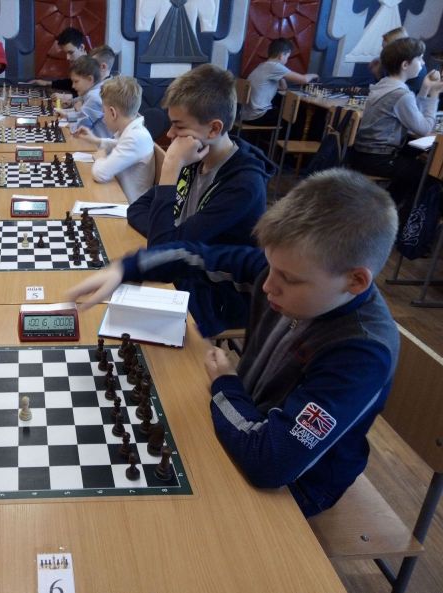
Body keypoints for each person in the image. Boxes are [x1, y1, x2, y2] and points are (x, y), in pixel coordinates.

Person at [66, 168, 400, 518]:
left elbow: (271, 462)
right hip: (247, 416)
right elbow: (198, 257)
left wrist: (226, 385)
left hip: (296, 486)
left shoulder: (362, 354)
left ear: (355, 281)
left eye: (288, 279)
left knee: (153, 515)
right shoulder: (295, 270)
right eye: (269, 265)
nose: (267, 285)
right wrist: (127, 269)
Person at [128, 64, 274, 248]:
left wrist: (171, 167)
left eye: (179, 126)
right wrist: (166, 233)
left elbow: (162, 246)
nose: (170, 134)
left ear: (214, 129)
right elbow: (136, 209)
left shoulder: (243, 185)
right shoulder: (194, 157)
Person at [349, 37, 443, 205]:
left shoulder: (385, 84)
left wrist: (425, 88)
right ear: (405, 65)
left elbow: (414, 116)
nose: (423, 63)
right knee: (428, 175)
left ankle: (389, 202)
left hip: (362, 154)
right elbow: (424, 129)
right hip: (379, 159)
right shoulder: (401, 94)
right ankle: (391, 207)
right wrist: (434, 95)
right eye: (420, 58)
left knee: (414, 156)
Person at [74, 75, 155, 203]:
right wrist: (95, 140)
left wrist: (100, 157)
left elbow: (100, 174)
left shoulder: (135, 138)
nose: (103, 117)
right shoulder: (135, 131)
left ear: (112, 113)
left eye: (103, 112)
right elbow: (119, 144)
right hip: (118, 194)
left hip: (128, 205)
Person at [239, 38, 318, 126]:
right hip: (258, 116)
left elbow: (283, 88)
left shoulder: (263, 65)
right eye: (287, 57)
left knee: (283, 109)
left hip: (246, 115)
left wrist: (282, 75)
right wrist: (315, 75)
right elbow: (304, 80)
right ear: (281, 55)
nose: (287, 60)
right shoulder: (275, 66)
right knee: (296, 116)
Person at [59, 56, 112, 138]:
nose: (73, 86)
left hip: (96, 143)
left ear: (90, 79)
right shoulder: (92, 92)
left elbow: (80, 127)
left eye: (76, 81)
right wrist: (67, 116)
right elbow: (81, 116)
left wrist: (68, 119)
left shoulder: (94, 97)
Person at [27, 27, 87, 96]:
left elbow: (88, 97)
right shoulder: (79, 65)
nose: (68, 58)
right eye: (66, 53)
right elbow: (70, 83)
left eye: (71, 52)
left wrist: (67, 97)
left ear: (81, 47)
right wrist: (47, 83)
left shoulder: (92, 67)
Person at [368, 27, 427, 94]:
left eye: (386, 49)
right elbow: (384, 86)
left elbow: (394, 93)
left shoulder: (417, 69)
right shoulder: (391, 62)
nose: (383, 52)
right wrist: (377, 74)